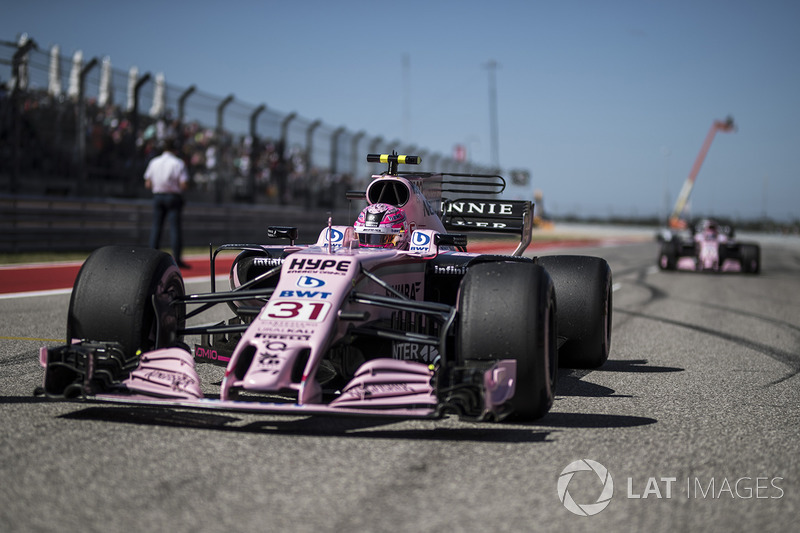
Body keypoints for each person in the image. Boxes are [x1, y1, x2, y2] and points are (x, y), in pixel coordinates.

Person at [144, 139, 190, 268]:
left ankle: (151, 257)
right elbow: (184, 184)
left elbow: (147, 183)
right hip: (173, 197)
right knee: (175, 228)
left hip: (158, 196)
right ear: (174, 149)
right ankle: (178, 259)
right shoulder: (178, 163)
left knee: (156, 227)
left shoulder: (154, 162)